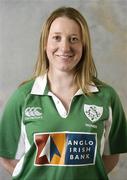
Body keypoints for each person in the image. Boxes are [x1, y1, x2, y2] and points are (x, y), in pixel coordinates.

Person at [0, 6, 127, 180]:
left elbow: (111, 156)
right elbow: (6, 156)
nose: (65, 47)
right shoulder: (23, 97)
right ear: (45, 44)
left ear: (84, 45)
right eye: (57, 38)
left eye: (73, 39)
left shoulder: (106, 97)